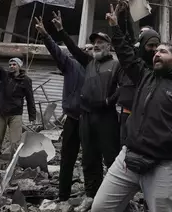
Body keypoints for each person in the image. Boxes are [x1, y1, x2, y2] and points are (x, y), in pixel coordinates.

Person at [91, 4, 172, 212]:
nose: (156, 54)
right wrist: (115, 27)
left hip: (163, 165)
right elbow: (127, 55)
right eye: (155, 52)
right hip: (128, 159)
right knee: (100, 208)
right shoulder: (144, 76)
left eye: (162, 51)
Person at [48, 10, 124, 200]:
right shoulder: (89, 62)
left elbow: (123, 87)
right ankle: (93, 197)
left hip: (106, 118)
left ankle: (116, 199)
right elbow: (73, 49)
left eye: (100, 43)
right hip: (86, 117)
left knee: (111, 159)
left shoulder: (116, 65)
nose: (97, 46)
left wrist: (109, 101)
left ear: (109, 46)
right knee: (89, 160)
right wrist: (61, 31)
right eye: (95, 43)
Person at [34, 16, 91, 201]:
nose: (88, 51)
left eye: (91, 49)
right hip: (73, 119)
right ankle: (63, 195)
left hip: (91, 121)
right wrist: (45, 36)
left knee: (91, 160)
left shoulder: (100, 69)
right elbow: (57, 53)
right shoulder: (72, 65)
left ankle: (92, 195)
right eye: (86, 49)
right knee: (67, 159)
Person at [112, 0, 161, 145]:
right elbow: (125, 39)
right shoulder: (134, 60)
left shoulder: (160, 66)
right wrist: (123, 14)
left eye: (157, 46)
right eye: (150, 45)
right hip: (129, 113)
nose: (154, 50)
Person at [0, 35, 36, 170]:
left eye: (14, 64)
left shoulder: (26, 81)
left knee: (15, 143)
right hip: (1, 112)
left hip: (15, 114)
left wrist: (32, 117)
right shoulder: (4, 76)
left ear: (19, 66)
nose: (11, 66)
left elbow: (30, 99)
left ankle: (11, 170)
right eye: (10, 64)